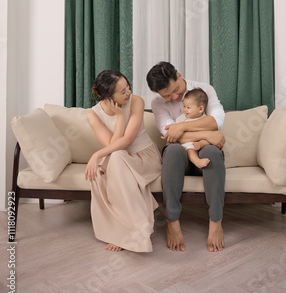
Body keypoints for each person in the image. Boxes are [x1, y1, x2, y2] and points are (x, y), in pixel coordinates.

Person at [146, 61, 226, 253]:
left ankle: (216, 221)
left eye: (175, 90)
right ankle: (172, 221)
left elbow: (216, 121)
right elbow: (170, 136)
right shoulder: (158, 103)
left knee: (212, 151)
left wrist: (181, 126)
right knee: (173, 149)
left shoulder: (204, 90)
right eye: (167, 95)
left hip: (205, 154)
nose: (174, 97)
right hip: (179, 159)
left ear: (179, 76)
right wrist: (208, 134)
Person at [85, 70, 162, 253]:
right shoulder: (93, 115)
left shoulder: (136, 101)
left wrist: (96, 155)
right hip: (119, 159)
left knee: (116, 158)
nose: (128, 93)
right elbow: (113, 146)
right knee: (109, 166)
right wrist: (119, 116)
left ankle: (136, 231)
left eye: (128, 87)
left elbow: (125, 142)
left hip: (145, 158)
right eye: (122, 91)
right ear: (107, 96)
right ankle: (121, 231)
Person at [176, 88, 211, 169]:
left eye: (188, 107)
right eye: (184, 106)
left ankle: (200, 144)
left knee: (208, 141)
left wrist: (202, 142)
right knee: (190, 147)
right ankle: (197, 161)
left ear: (200, 109)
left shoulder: (205, 120)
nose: (185, 110)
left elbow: (210, 134)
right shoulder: (182, 119)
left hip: (202, 142)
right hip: (188, 143)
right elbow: (177, 130)